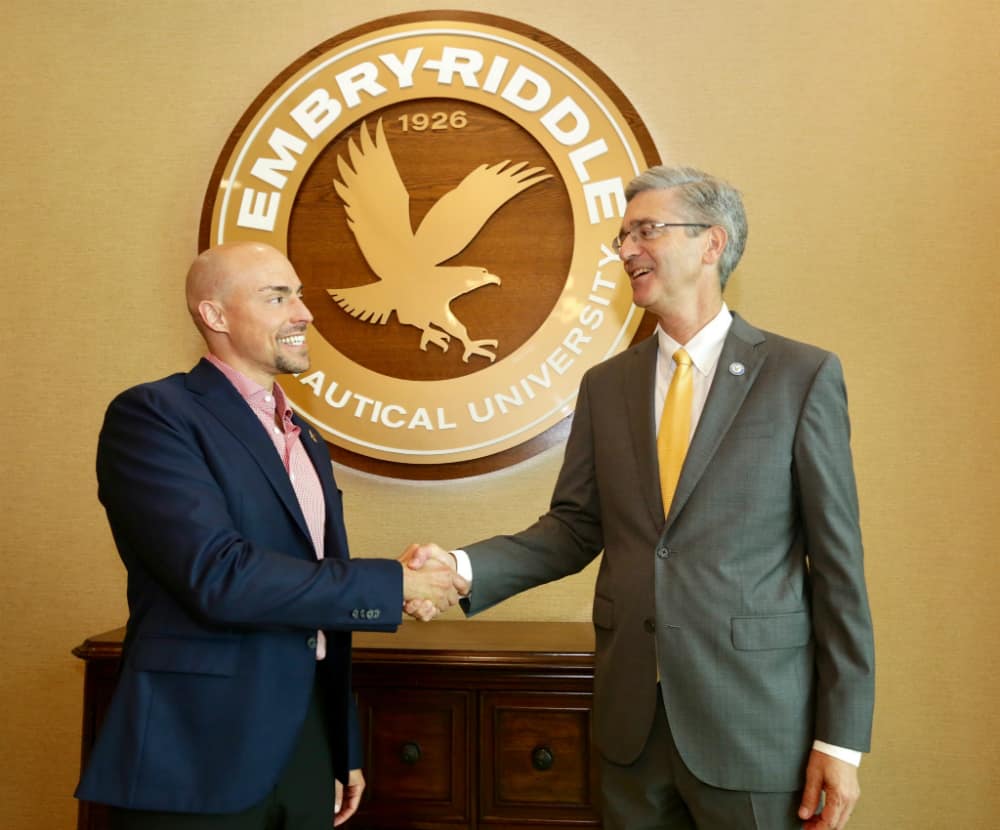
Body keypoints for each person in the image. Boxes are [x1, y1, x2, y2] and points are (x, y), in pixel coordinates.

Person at [409, 166, 875, 829]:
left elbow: (837, 569)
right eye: (623, 237)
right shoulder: (607, 385)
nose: (627, 250)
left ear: (712, 242)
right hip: (631, 732)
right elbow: (574, 528)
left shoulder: (800, 376)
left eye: (646, 231)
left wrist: (841, 740)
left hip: (753, 726)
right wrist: (459, 569)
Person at [76, 242, 467, 829]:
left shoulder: (305, 437)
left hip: (305, 742)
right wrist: (393, 585)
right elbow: (220, 575)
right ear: (215, 315)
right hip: (196, 749)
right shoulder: (154, 416)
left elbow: (306, 583)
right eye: (277, 297)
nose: (304, 313)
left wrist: (340, 743)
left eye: (299, 296)